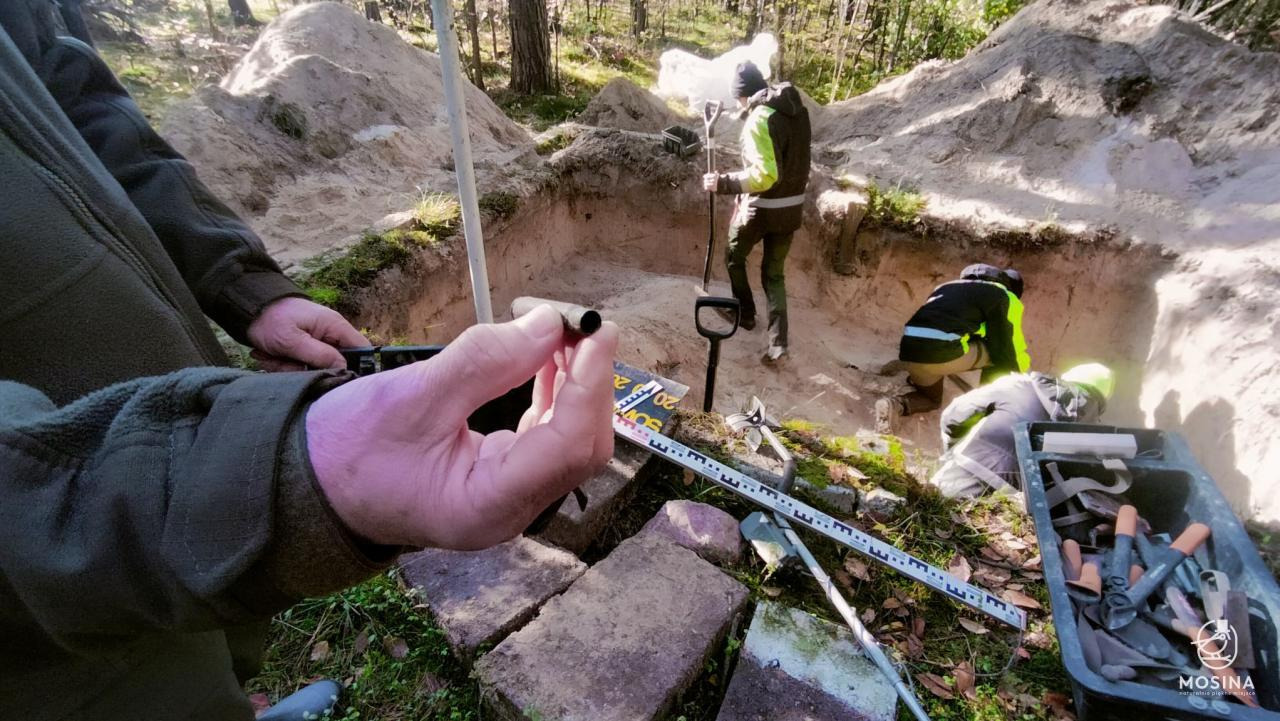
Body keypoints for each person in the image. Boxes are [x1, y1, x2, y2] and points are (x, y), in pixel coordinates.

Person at [0, 4, 620, 718]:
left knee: (189, 665)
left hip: (159, 509)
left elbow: (88, 113)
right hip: (46, 665)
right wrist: (286, 472)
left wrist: (242, 284)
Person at [702, 60, 811, 366]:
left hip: (761, 208)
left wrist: (723, 183)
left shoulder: (759, 119)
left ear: (743, 95)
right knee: (773, 274)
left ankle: (746, 314)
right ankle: (778, 345)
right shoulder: (799, 112)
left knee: (734, 255)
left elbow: (765, 176)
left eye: (737, 98)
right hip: (791, 208)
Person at [875, 263, 1029, 431]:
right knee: (996, 354)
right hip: (941, 354)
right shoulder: (1002, 295)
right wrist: (1018, 384)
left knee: (931, 399)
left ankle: (895, 404)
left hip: (910, 353)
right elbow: (1006, 347)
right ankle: (986, 412)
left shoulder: (945, 287)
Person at [928, 363, 1113, 498]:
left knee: (927, 519)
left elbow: (956, 414)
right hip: (1020, 506)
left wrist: (953, 447)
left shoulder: (1020, 385)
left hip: (968, 469)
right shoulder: (1095, 436)